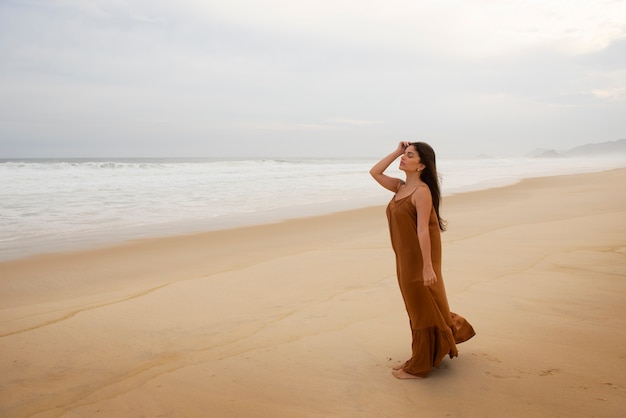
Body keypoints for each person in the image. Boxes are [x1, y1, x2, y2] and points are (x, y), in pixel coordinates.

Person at [370, 141, 475, 379]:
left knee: (421, 308)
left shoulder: (422, 192)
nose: (403, 159)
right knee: (418, 308)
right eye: (404, 155)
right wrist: (397, 150)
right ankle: (423, 353)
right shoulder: (400, 187)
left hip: (420, 260)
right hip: (404, 258)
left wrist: (428, 267)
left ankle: (420, 366)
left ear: (422, 165)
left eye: (409, 156)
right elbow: (374, 172)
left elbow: (423, 231)